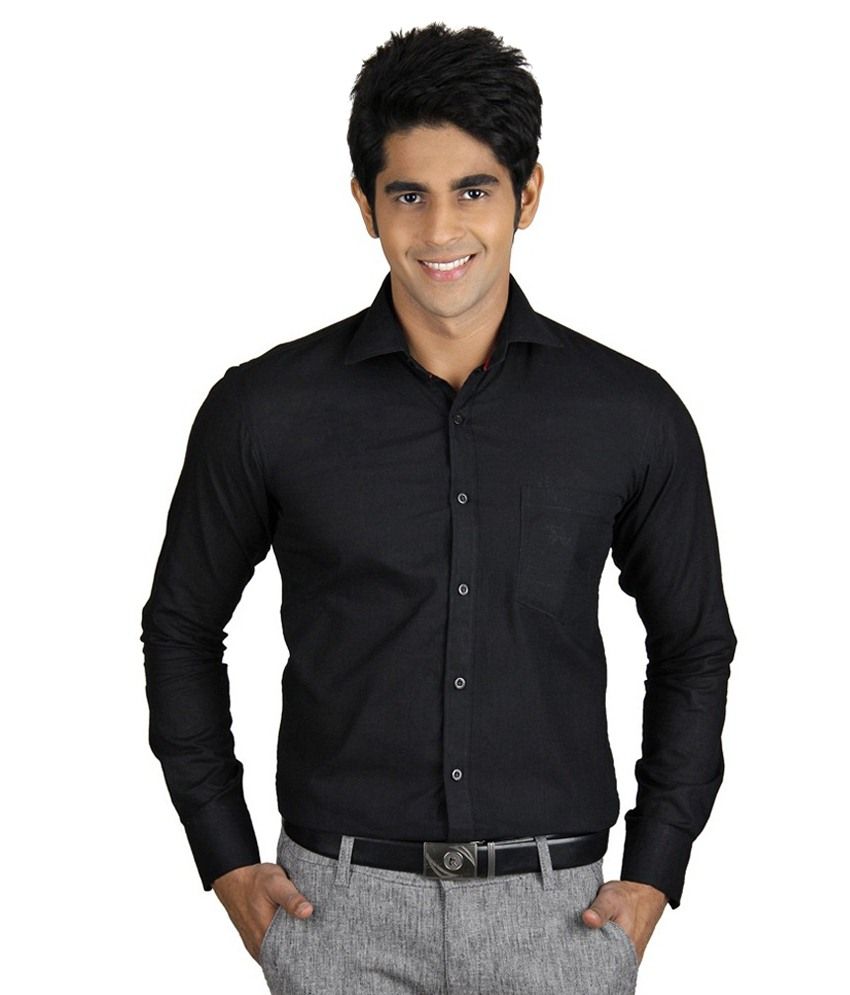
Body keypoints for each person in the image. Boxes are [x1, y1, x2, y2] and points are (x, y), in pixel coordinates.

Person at [141, 23, 737, 995]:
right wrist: (225, 856)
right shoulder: (265, 409)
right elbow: (180, 624)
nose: (439, 230)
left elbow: (693, 642)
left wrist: (655, 868)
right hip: (335, 912)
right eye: (408, 195)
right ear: (364, 204)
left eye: (474, 191)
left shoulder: (630, 413)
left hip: (559, 916)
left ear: (527, 195)